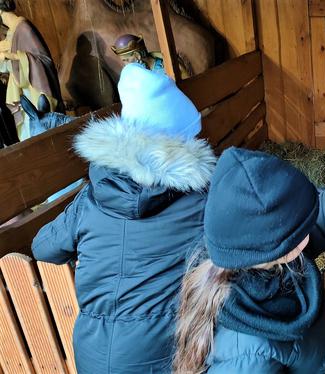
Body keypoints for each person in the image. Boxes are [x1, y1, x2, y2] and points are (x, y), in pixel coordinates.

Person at [31, 63, 214, 373]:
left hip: (91, 352)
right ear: (180, 143)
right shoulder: (202, 202)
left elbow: (43, 248)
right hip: (159, 355)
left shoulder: (91, 199)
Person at [174, 147, 325, 373]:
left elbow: (312, 225)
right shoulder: (248, 356)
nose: (308, 230)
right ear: (282, 245)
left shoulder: (255, 258)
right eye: (301, 227)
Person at [0, 0, 63, 141]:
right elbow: (11, 65)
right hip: (24, 95)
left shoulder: (23, 28)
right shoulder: (12, 32)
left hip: (35, 93)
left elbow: (44, 60)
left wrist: (12, 57)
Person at [111, 33, 191, 78]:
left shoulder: (165, 67)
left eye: (126, 60)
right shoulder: (135, 76)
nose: (125, 65)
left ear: (137, 55)